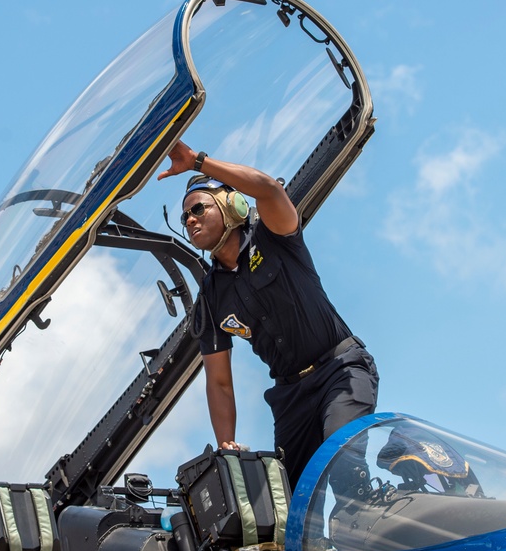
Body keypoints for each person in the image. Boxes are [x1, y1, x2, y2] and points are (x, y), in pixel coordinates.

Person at [157, 140, 379, 491]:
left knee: (342, 463)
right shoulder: (211, 299)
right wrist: (226, 443)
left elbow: (269, 190)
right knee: (287, 503)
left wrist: (198, 162)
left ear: (232, 205)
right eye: (185, 217)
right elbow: (218, 381)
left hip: (340, 370)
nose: (190, 219)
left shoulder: (275, 235)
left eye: (198, 208)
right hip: (290, 397)